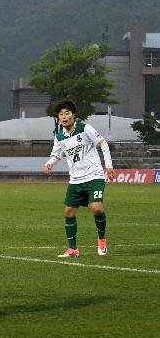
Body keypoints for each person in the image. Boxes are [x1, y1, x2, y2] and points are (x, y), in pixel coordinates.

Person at [43, 99, 114, 257]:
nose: (64, 116)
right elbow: (57, 153)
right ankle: (73, 249)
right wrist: (49, 163)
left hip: (94, 175)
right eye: (61, 114)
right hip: (75, 179)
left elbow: (103, 143)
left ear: (73, 115)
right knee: (68, 211)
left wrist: (108, 166)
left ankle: (102, 240)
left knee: (96, 208)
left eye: (67, 113)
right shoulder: (59, 135)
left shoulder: (84, 128)